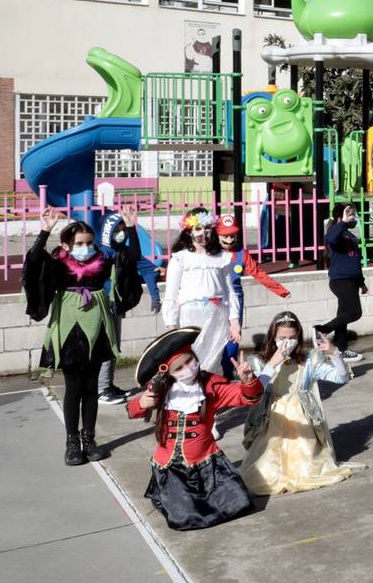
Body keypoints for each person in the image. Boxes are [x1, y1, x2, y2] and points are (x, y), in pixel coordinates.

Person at [24, 207, 143, 465]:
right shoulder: (57, 265)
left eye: (88, 242)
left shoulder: (103, 261)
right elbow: (33, 261)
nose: (85, 247)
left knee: (91, 388)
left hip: (97, 326)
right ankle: (72, 442)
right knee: (73, 388)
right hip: (69, 328)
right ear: (66, 245)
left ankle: (89, 440)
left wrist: (131, 228)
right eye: (79, 243)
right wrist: (45, 231)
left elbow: (132, 257)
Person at [127, 329, 261, 530]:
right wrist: (141, 403)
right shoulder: (162, 389)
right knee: (184, 519)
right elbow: (131, 410)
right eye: (179, 367)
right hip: (170, 466)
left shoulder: (210, 386)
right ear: (169, 372)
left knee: (237, 504)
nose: (187, 368)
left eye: (189, 361)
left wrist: (247, 380)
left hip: (206, 463)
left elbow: (248, 397)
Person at [241, 312, 360, 495]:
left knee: (308, 468)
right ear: (273, 337)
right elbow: (256, 392)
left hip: (302, 421)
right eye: (282, 338)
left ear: (299, 337)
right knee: (261, 473)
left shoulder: (309, 360)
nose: (287, 342)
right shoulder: (260, 361)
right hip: (272, 419)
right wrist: (272, 364)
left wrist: (334, 353)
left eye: (292, 338)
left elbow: (341, 377)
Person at [163, 209, 239, 375]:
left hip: (217, 314)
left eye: (207, 228)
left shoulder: (221, 257)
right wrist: (171, 326)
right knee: (192, 359)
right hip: (190, 316)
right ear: (189, 231)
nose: (204, 233)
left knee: (214, 360)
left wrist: (234, 321)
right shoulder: (180, 258)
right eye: (198, 228)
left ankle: (213, 393)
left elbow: (229, 291)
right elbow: (171, 295)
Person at [216, 214, 291, 380]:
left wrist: (280, 290)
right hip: (214, 300)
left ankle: (227, 374)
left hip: (235, 298)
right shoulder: (211, 253)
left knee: (232, 338)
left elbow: (259, 274)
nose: (229, 239)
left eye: (232, 235)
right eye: (225, 235)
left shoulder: (242, 254)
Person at [95, 209, 156, 405]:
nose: (121, 233)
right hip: (102, 306)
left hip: (116, 305)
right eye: (118, 229)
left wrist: (131, 228)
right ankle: (101, 389)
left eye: (122, 229)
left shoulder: (123, 252)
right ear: (108, 232)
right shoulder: (103, 253)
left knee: (114, 347)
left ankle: (108, 384)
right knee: (106, 346)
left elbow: (138, 256)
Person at [317, 203, 366, 361]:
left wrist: (361, 283)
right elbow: (330, 237)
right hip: (341, 280)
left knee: (343, 315)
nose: (354, 218)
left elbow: (355, 262)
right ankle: (322, 330)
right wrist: (343, 222)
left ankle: (341, 349)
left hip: (351, 281)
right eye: (350, 214)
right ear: (340, 217)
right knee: (355, 312)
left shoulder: (351, 236)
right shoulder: (336, 233)